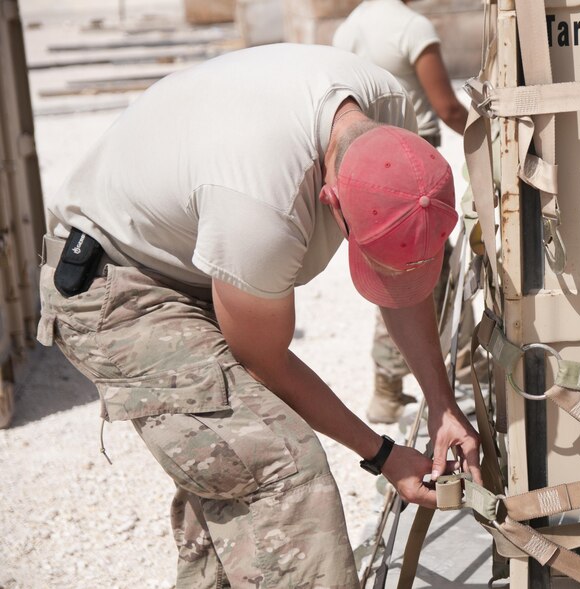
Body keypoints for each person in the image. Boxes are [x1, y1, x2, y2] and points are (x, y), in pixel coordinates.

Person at [37, 43, 481, 589]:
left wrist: (442, 407)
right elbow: (264, 363)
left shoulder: (390, 119)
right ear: (330, 200)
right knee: (281, 475)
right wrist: (384, 455)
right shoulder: (262, 207)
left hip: (191, 252)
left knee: (235, 475)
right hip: (121, 288)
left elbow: (402, 286)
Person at [333, 0, 471, 424]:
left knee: (390, 276)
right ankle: (465, 380)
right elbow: (447, 108)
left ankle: (387, 391)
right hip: (413, 169)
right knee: (433, 276)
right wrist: (492, 142)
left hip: (367, 170)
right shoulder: (412, 28)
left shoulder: (349, 28)